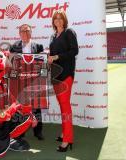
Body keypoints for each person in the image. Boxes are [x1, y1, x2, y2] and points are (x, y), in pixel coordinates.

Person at [48, 10, 79, 152]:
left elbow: (74, 51)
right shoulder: (53, 36)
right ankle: (64, 133)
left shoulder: (69, 32)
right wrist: (49, 57)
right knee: (62, 106)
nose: (58, 20)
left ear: (64, 20)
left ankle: (67, 140)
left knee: (65, 107)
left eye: (60, 18)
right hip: (55, 76)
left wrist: (56, 57)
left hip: (66, 74)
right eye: (56, 18)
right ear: (53, 21)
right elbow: (52, 54)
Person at [9, 24, 45, 140]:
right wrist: (12, 81)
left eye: (27, 31)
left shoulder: (39, 46)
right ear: (19, 33)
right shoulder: (14, 47)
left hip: (35, 82)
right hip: (20, 83)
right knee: (20, 107)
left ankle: (38, 131)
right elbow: (11, 65)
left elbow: (43, 64)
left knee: (36, 106)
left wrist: (43, 78)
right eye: (23, 31)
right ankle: (20, 131)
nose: (25, 33)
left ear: (31, 32)